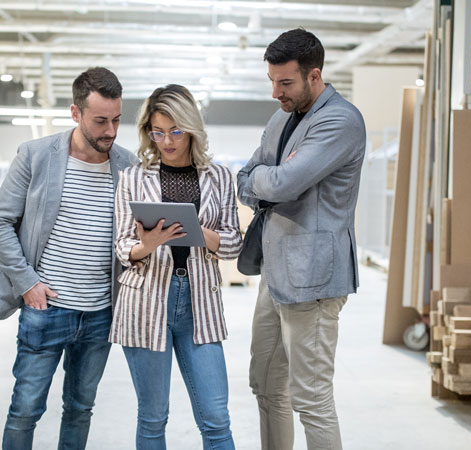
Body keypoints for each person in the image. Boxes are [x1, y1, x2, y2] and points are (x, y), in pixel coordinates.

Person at [0, 67, 136, 450]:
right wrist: (27, 283)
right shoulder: (36, 156)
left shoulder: (127, 165)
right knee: (26, 409)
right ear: (75, 113)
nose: (110, 131)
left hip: (101, 313)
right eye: (100, 121)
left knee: (81, 408)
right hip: (47, 307)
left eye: (116, 120)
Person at [236, 29, 366, 450]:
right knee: (266, 386)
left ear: (314, 75)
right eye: (272, 80)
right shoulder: (282, 117)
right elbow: (248, 177)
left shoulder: (340, 120)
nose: (276, 92)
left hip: (313, 281)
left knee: (311, 398)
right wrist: (267, 180)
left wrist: (270, 179)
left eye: (285, 82)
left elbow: (285, 183)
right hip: (274, 275)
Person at [110, 84, 242, 450]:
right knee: (153, 418)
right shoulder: (133, 178)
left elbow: (233, 243)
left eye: (176, 132)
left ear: (192, 129)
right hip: (146, 300)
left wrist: (201, 233)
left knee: (216, 417)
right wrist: (147, 245)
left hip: (199, 301)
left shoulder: (219, 177)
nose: (167, 141)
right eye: (158, 132)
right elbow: (122, 246)